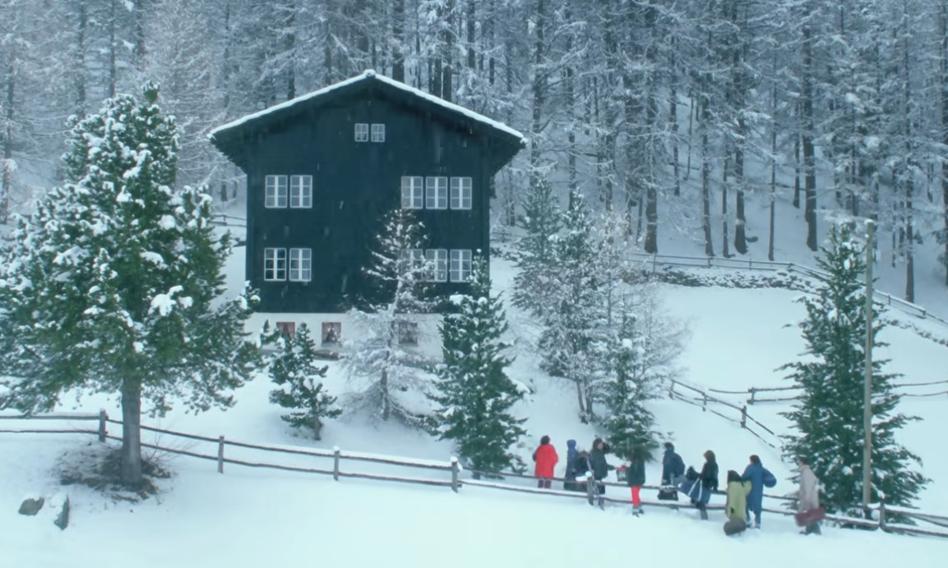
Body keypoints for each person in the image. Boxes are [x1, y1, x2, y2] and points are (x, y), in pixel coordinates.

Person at [685, 450, 718, 520]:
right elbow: (715, 476)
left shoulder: (707, 464)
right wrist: (715, 486)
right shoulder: (715, 464)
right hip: (709, 485)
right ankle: (703, 517)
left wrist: (696, 474)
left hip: (705, 484)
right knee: (702, 500)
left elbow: (705, 475)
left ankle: (704, 519)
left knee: (701, 500)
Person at [741, 454, 770, 528]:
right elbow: (770, 477)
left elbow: (744, 477)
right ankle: (758, 523)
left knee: (745, 505)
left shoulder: (750, 468)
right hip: (759, 491)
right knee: (758, 508)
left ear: (752, 460)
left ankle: (747, 521)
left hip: (750, 490)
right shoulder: (762, 469)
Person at [797, 457, 822, 535]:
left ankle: (814, 532)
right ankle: (810, 531)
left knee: (810, 514)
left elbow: (808, 487)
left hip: (809, 498)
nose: (798, 464)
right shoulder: (806, 472)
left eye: (799, 462)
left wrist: (807, 499)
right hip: (809, 497)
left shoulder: (806, 472)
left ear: (802, 462)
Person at [724, 470, 752, 534]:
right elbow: (748, 488)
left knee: (727, 527)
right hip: (742, 514)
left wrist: (730, 514)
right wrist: (749, 481)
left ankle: (735, 528)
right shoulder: (741, 485)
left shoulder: (732, 486)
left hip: (735, 515)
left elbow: (732, 503)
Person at [626, 450, 646, 515]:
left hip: (635, 480)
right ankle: (638, 506)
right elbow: (628, 470)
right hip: (636, 480)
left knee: (634, 494)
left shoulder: (637, 461)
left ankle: (636, 507)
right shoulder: (639, 460)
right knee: (635, 494)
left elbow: (628, 470)